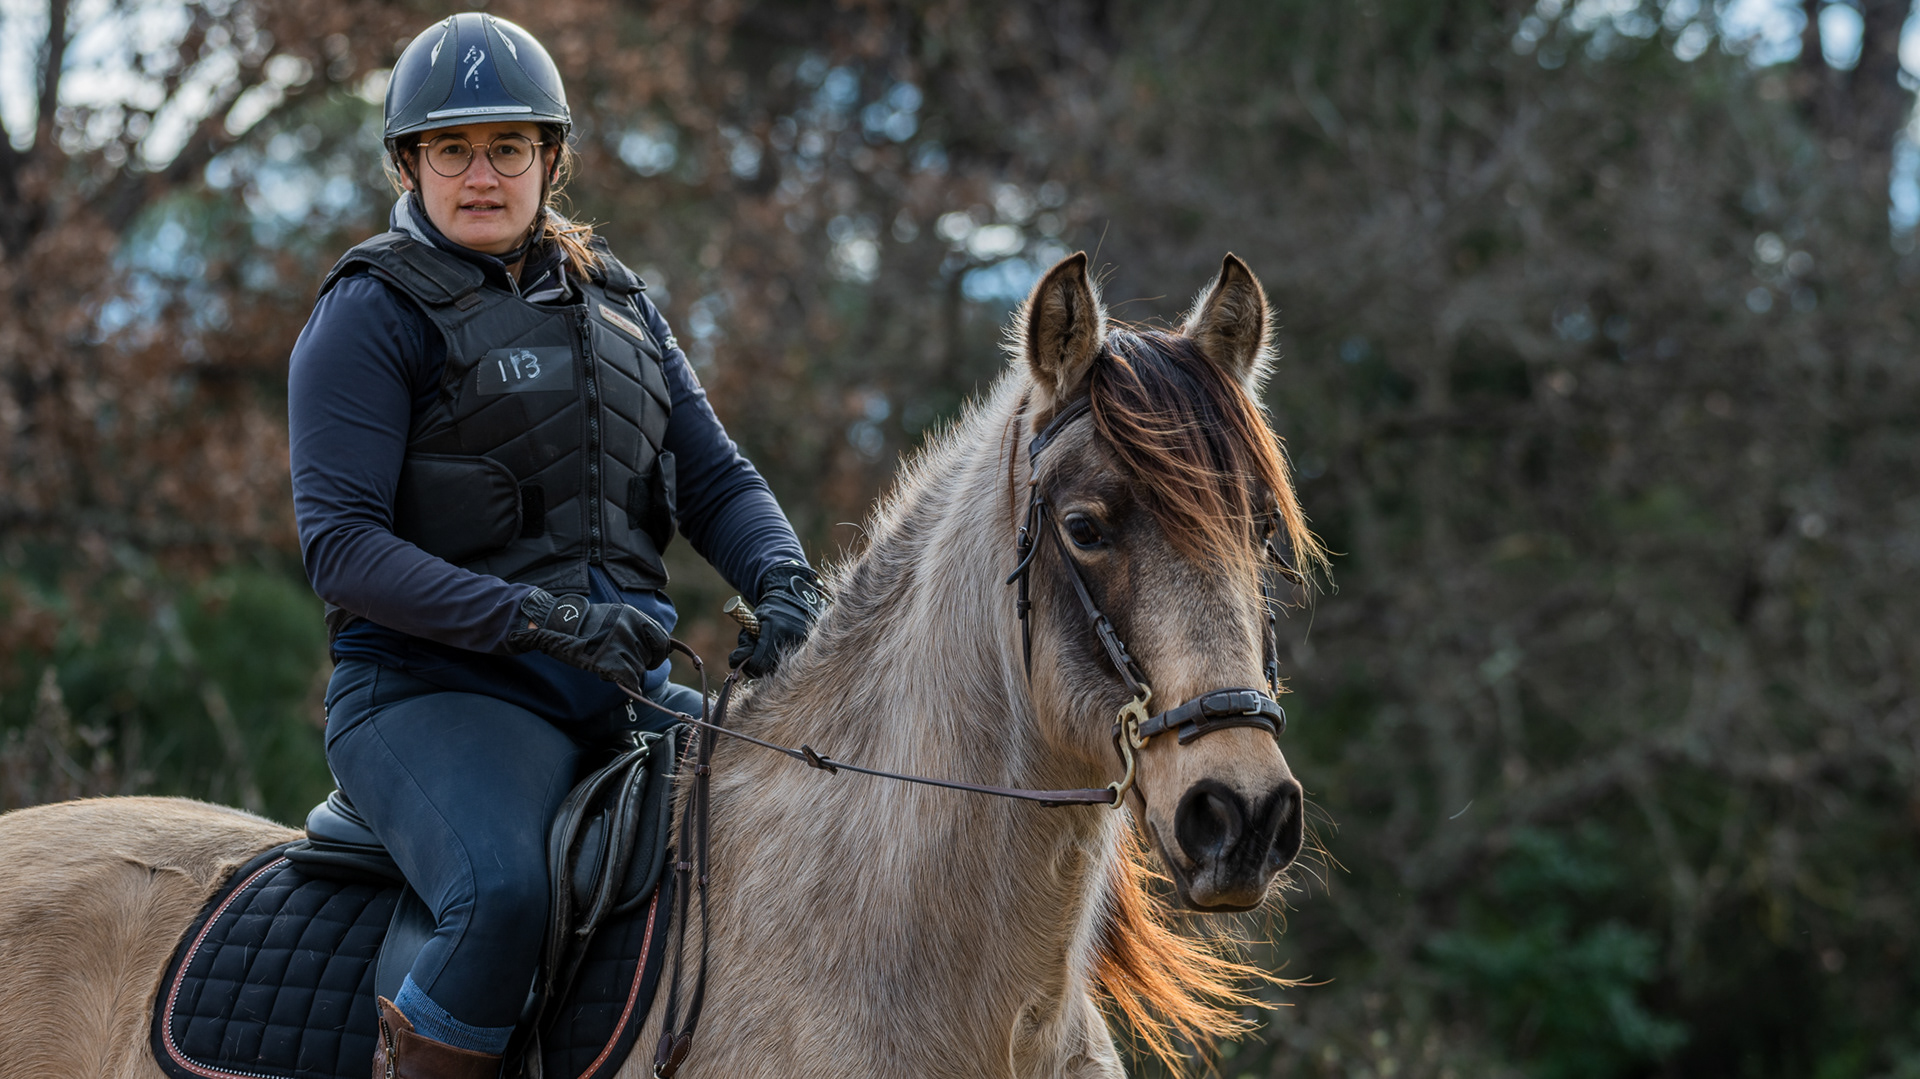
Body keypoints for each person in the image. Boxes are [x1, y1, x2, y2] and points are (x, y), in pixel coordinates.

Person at [286, 13, 826, 1077]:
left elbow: (715, 478)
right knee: (503, 893)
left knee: (805, 809)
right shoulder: (368, 312)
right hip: (430, 694)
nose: (481, 176)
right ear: (409, 164)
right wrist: (540, 618)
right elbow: (341, 548)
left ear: (550, 160)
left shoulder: (622, 306)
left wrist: (786, 580)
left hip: (616, 690)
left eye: (507, 147)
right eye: (452, 150)